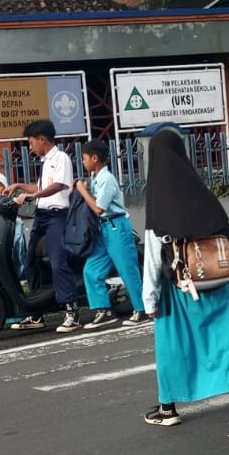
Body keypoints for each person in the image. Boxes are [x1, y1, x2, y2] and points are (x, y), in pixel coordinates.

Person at [139, 128, 229, 429]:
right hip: (215, 280)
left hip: (178, 288)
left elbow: (153, 256)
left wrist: (149, 299)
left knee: (171, 344)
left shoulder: (159, 198)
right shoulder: (200, 192)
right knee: (225, 336)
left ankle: (168, 408)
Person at [13, 119, 82, 333]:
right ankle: (37, 313)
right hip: (41, 216)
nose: (30, 147)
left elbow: (59, 186)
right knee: (30, 261)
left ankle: (72, 311)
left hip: (57, 217)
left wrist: (34, 196)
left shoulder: (61, 158)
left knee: (57, 262)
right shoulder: (45, 162)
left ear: (42, 139)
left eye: (31, 142)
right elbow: (40, 187)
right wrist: (18, 186)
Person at [74, 139, 148, 330]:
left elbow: (99, 208)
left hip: (116, 227)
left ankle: (141, 310)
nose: (83, 162)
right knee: (91, 269)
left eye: (84, 158)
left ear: (95, 158)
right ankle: (104, 310)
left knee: (127, 270)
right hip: (104, 229)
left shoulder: (107, 179)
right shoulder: (96, 178)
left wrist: (82, 191)